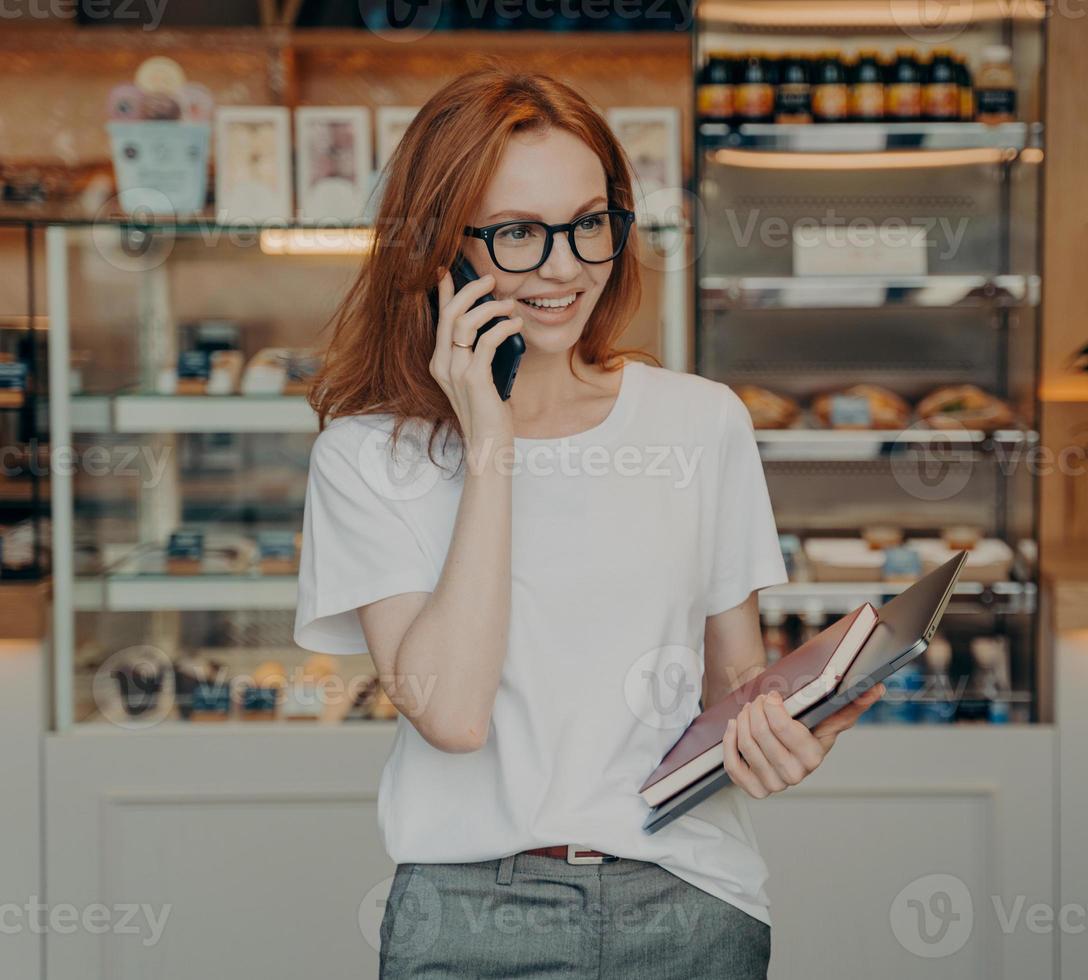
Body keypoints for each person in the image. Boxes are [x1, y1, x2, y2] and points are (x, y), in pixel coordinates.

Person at [292, 63, 884, 979]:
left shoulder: (699, 421)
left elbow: (731, 689)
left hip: (692, 906)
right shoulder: (369, 459)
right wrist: (490, 438)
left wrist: (790, 730)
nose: (565, 266)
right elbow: (450, 712)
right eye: (519, 232)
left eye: (587, 224)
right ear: (438, 249)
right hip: (468, 920)